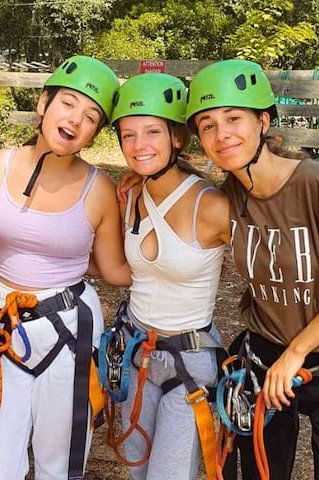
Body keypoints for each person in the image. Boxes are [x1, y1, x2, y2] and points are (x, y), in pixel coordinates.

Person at [184, 59, 319, 480]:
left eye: (233, 118)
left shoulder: (313, 181)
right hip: (264, 357)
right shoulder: (229, 197)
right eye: (207, 125)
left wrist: (297, 353)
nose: (222, 135)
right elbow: (174, 184)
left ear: (263, 120)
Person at [0, 55, 131, 480]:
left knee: (60, 462)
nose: (76, 120)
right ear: (42, 104)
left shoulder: (99, 190)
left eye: (91, 116)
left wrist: (180, 263)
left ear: (95, 132)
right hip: (2, 324)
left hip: (69, 330)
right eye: (68, 104)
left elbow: (113, 270)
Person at [101, 72, 231, 480]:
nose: (139, 146)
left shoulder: (211, 206)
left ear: (177, 138)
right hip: (136, 350)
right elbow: (122, 273)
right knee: (139, 472)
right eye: (128, 135)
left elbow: (268, 263)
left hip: (188, 361)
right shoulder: (131, 196)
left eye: (153, 132)